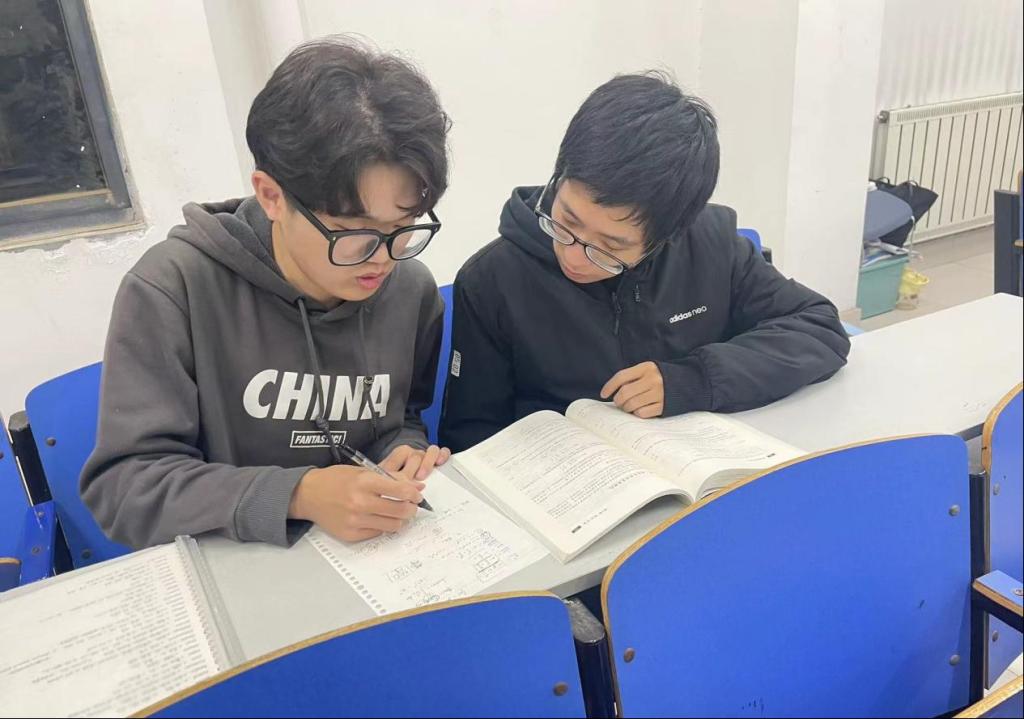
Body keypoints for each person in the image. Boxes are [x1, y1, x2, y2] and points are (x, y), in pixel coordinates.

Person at [82, 36, 452, 547]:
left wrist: (402, 450)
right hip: (239, 567)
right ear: (272, 195)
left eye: (404, 226)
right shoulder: (174, 288)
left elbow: (400, 415)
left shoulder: (411, 291)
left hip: (371, 557)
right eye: (353, 232)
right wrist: (296, 494)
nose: (383, 257)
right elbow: (125, 489)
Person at [440, 71, 850, 452]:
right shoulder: (493, 280)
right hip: (565, 481)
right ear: (558, 178)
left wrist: (695, 379)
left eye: (610, 247)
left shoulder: (711, 246)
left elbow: (819, 328)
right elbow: (470, 435)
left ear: (668, 236)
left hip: (694, 469)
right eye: (567, 221)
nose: (574, 256)